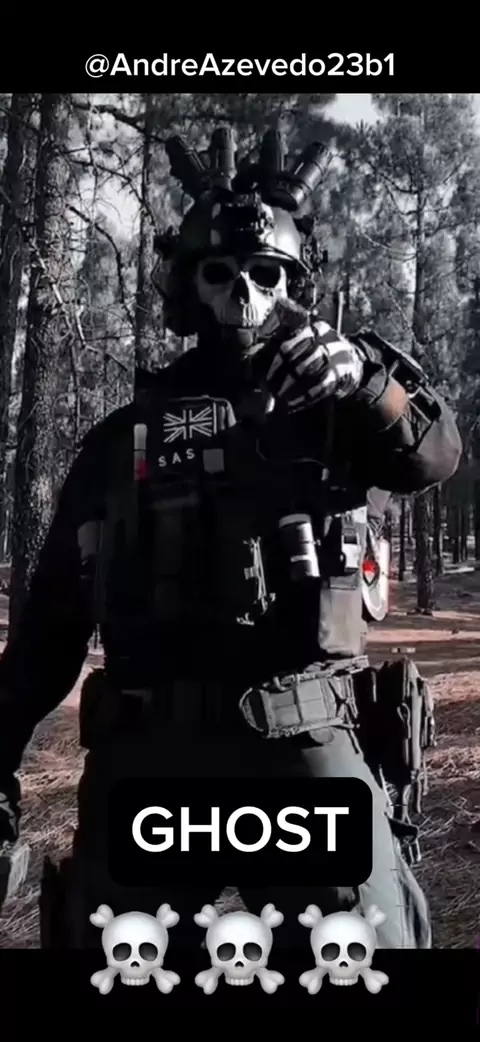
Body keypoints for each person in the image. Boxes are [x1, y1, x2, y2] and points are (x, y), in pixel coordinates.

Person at [0, 128, 462, 952]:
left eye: (266, 274)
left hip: (302, 743)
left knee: (366, 957)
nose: (244, 293)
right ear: (189, 286)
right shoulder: (124, 441)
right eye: (221, 273)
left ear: (296, 283)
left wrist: (365, 379)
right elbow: (49, 630)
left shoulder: (334, 415)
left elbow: (436, 456)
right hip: (152, 756)